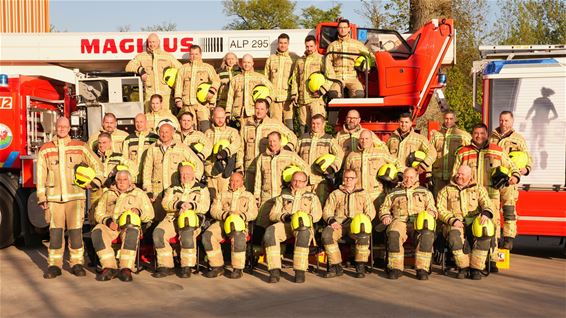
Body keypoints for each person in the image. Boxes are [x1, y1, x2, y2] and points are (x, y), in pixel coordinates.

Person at [37, 117, 103, 279]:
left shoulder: (80, 147)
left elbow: (97, 165)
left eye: (65, 126)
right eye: (59, 126)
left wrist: (95, 182)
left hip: (75, 198)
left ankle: (77, 263)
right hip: (53, 199)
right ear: (55, 127)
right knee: (55, 234)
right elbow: (40, 175)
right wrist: (41, 196)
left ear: (69, 128)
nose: (62, 129)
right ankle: (54, 265)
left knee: (75, 233)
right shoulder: (45, 149)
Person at [453, 123, 520, 272]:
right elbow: (455, 173)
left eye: (482, 133)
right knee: (470, 227)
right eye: (476, 133)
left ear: (487, 134)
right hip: (470, 196)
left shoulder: (497, 151)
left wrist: (514, 176)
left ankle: (492, 259)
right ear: (472, 134)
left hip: (492, 195)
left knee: (492, 227)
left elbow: (512, 166)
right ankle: (471, 259)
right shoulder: (463, 152)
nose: (479, 136)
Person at [91, 170, 154, 282]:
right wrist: (108, 221)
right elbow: (98, 212)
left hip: (129, 226)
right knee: (97, 231)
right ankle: (109, 267)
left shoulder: (139, 193)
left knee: (132, 232)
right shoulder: (107, 194)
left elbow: (150, 214)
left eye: (125, 179)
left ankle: (126, 268)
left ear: (130, 181)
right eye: (119, 179)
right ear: (115, 181)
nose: (121, 182)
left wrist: (139, 212)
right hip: (111, 226)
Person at [437, 165, 496, 280]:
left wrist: (485, 214)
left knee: (484, 232)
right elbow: (440, 208)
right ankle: (463, 267)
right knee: (454, 237)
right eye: (458, 174)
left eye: (462, 174)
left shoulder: (479, 188)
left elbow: (487, 203)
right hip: (455, 222)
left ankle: (476, 268)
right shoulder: (446, 190)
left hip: (474, 220)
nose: (459, 176)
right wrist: (452, 220)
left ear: (470, 176)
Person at [153, 163, 211, 278]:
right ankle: (166, 266)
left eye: (187, 174)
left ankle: (187, 266)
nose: (184, 177)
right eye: (182, 174)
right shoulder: (173, 188)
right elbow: (165, 203)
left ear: (193, 174)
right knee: (158, 233)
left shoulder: (202, 189)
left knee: (187, 231)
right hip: (173, 218)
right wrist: (179, 204)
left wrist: (190, 205)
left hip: (192, 220)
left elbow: (205, 206)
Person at [379, 168, 437, 280]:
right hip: (399, 220)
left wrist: (431, 212)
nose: (408, 179)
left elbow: (432, 207)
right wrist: (385, 216)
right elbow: (384, 208)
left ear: (416, 178)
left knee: (427, 235)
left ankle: (422, 269)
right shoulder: (394, 192)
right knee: (393, 234)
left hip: (418, 221)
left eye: (411, 177)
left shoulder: (425, 192)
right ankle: (395, 268)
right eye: (406, 177)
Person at [264, 171, 322, 283]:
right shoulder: (283, 195)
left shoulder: (312, 197)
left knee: (304, 234)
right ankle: (274, 270)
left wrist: (304, 217)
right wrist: (285, 217)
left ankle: (300, 271)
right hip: (285, 224)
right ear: (291, 181)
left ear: (305, 183)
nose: (297, 183)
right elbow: (272, 214)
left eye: (300, 181)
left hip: (303, 225)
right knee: (270, 232)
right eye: (295, 180)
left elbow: (317, 215)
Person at [142, 120, 204, 221]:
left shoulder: (182, 148)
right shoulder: (153, 149)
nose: (164, 134)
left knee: (174, 219)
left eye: (167, 132)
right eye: (162, 132)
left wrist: (194, 181)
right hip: (157, 192)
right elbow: (147, 171)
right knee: (156, 220)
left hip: (175, 192)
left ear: (172, 133)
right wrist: (148, 190)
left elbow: (198, 164)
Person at [489, 111, 533, 250]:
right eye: (501, 120)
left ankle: (508, 239)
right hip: (494, 181)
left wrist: (525, 169)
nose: (503, 123)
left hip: (510, 181)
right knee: (493, 211)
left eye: (506, 120)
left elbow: (528, 157)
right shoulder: (491, 137)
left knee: (509, 211)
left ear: (512, 121)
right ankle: (494, 240)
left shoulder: (518, 139)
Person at [321, 169, 376, 278]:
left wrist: (365, 220)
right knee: (326, 235)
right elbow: (327, 210)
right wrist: (331, 221)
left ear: (356, 180)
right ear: (343, 179)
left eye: (351, 178)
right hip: (339, 224)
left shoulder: (364, 194)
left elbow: (371, 211)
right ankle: (336, 266)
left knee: (363, 234)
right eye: (346, 178)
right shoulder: (335, 194)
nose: (348, 180)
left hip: (356, 223)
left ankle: (360, 265)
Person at [202, 172, 257, 279]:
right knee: (207, 236)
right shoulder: (221, 194)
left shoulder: (249, 196)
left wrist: (241, 215)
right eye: (232, 181)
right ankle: (217, 267)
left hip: (240, 223)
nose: (234, 183)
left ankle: (238, 269)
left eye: (237, 181)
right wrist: (225, 214)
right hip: (222, 222)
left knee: (238, 236)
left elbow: (253, 213)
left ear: (242, 182)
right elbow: (214, 210)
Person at [254, 131, 308, 228]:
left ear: (280, 141)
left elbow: (305, 167)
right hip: (266, 196)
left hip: (283, 196)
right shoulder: (262, 157)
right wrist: (257, 196)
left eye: (274, 141)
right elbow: (258, 178)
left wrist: (302, 184)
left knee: (280, 223)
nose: (272, 143)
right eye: (270, 141)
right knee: (261, 224)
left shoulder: (290, 155)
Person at [241, 99, 297, 191]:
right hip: (250, 167)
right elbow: (241, 147)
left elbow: (293, 137)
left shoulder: (274, 124)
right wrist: (240, 165)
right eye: (257, 108)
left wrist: (287, 148)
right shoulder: (247, 125)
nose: (259, 111)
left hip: (267, 168)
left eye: (262, 109)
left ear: (267, 110)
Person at [125, 33, 182, 112]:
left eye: (154, 42)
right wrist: (141, 70)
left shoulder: (168, 56)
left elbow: (181, 70)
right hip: (150, 98)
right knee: (149, 120)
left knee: (166, 119)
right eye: (150, 42)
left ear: (159, 42)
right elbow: (128, 66)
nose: (152, 44)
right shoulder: (141, 56)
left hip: (165, 98)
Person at [296, 114, 344, 204]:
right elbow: (293, 155)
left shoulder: (329, 139)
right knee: (304, 206)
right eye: (313, 123)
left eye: (318, 123)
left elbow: (340, 155)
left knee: (321, 205)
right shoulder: (303, 138)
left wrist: (332, 168)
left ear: (323, 125)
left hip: (321, 182)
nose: (315, 126)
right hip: (304, 181)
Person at [89, 132, 136, 224]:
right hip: (96, 193)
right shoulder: (93, 158)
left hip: (111, 193)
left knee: (111, 218)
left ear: (110, 143)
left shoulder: (119, 157)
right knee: (95, 218)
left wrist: (127, 182)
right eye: (99, 143)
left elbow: (133, 169)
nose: (101, 145)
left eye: (104, 142)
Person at [344, 129, 399, 206]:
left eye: (367, 139)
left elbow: (397, 163)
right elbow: (346, 175)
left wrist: (397, 178)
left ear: (372, 140)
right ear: (359, 140)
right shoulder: (352, 156)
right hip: (358, 196)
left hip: (377, 196)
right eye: (362, 139)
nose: (364, 141)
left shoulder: (381, 153)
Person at [174, 45, 220, 131]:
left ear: (200, 54)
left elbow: (216, 81)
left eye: (196, 54)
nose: (194, 56)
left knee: (205, 128)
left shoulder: (207, 67)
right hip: (187, 105)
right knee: (190, 130)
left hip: (202, 105)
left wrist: (211, 92)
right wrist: (178, 99)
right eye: (191, 54)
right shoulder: (183, 68)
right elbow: (179, 84)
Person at [324, 18, 370, 98]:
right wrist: (332, 77)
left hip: (352, 77)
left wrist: (367, 66)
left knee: (359, 94)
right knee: (333, 94)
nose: (343, 30)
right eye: (341, 27)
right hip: (337, 78)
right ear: (338, 29)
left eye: (345, 27)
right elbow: (327, 62)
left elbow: (369, 55)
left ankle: (353, 111)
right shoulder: (332, 45)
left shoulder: (357, 44)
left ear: (349, 29)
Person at [291, 35, 328, 134]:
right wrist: (294, 94)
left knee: (318, 127)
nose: (309, 49)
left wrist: (322, 91)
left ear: (315, 46)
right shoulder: (300, 61)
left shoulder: (322, 59)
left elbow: (330, 76)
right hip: (302, 100)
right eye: (307, 46)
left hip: (315, 100)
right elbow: (295, 78)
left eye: (311, 46)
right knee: (304, 128)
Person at [204, 107, 243, 198]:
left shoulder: (232, 132)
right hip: (210, 172)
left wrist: (238, 166)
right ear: (212, 117)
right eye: (217, 117)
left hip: (225, 173)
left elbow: (237, 147)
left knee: (224, 198)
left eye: (222, 117)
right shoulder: (208, 133)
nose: (220, 120)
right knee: (212, 199)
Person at [430, 111, 471, 195]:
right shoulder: (436, 136)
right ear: (443, 119)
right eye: (446, 119)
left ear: (455, 119)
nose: (448, 121)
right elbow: (430, 155)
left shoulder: (463, 136)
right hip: (438, 177)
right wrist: (428, 174)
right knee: (438, 201)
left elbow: (471, 155)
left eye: (451, 119)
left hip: (455, 177)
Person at [226, 54, 274, 124]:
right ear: (241, 63)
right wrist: (228, 112)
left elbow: (272, 89)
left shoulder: (260, 77)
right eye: (245, 62)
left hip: (253, 113)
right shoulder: (235, 79)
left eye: (249, 62)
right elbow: (230, 97)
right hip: (237, 114)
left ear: (252, 63)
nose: (246, 64)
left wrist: (267, 101)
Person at [264, 33, 297, 129]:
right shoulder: (271, 59)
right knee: (275, 126)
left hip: (288, 99)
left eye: (285, 43)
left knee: (289, 127)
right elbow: (266, 79)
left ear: (288, 44)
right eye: (281, 43)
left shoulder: (294, 58)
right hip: (275, 100)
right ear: (278, 44)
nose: (283, 45)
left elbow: (297, 77)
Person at [121, 113, 159, 186]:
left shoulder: (155, 138)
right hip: (133, 180)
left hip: (149, 179)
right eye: (137, 122)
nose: (139, 124)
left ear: (146, 122)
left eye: (141, 122)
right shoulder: (129, 139)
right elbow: (124, 159)